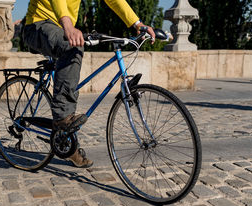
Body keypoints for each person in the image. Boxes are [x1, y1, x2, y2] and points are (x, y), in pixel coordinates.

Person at [23, 0, 155, 168]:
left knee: (69, 60)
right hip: (38, 25)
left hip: (61, 27)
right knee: (70, 47)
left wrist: (137, 23)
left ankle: (67, 144)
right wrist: (68, 26)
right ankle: (62, 118)